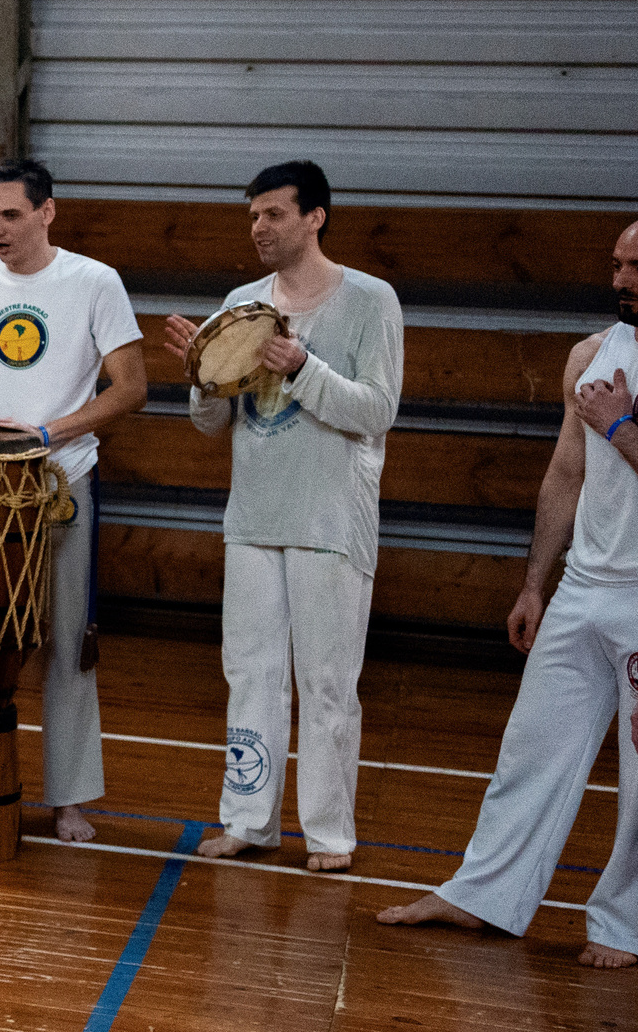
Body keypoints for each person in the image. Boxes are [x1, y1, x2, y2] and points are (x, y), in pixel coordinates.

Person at [378, 222, 638, 969]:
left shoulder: (612, 394)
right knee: (532, 747)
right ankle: (485, 893)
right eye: (616, 264)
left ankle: (624, 923)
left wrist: (621, 425)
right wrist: (534, 583)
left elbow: (613, 439)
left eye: (635, 266)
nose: (620, 280)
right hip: (583, 585)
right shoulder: (590, 355)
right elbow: (565, 472)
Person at [163, 162, 403, 874]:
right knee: (250, 674)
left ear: (315, 217)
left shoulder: (370, 300)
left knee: (328, 682)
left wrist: (301, 367)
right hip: (253, 519)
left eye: (273, 214)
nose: (258, 228)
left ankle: (329, 834)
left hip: (331, 523)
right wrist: (202, 378)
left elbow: (376, 410)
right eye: (253, 216)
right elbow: (213, 422)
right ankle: (248, 821)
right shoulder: (240, 304)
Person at [0, 159, 145, 842]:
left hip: (61, 479)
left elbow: (131, 386)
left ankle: (68, 799)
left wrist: (48, 433)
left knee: (68, 645)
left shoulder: (95, 281)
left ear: (47, 212)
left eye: (10, 215)